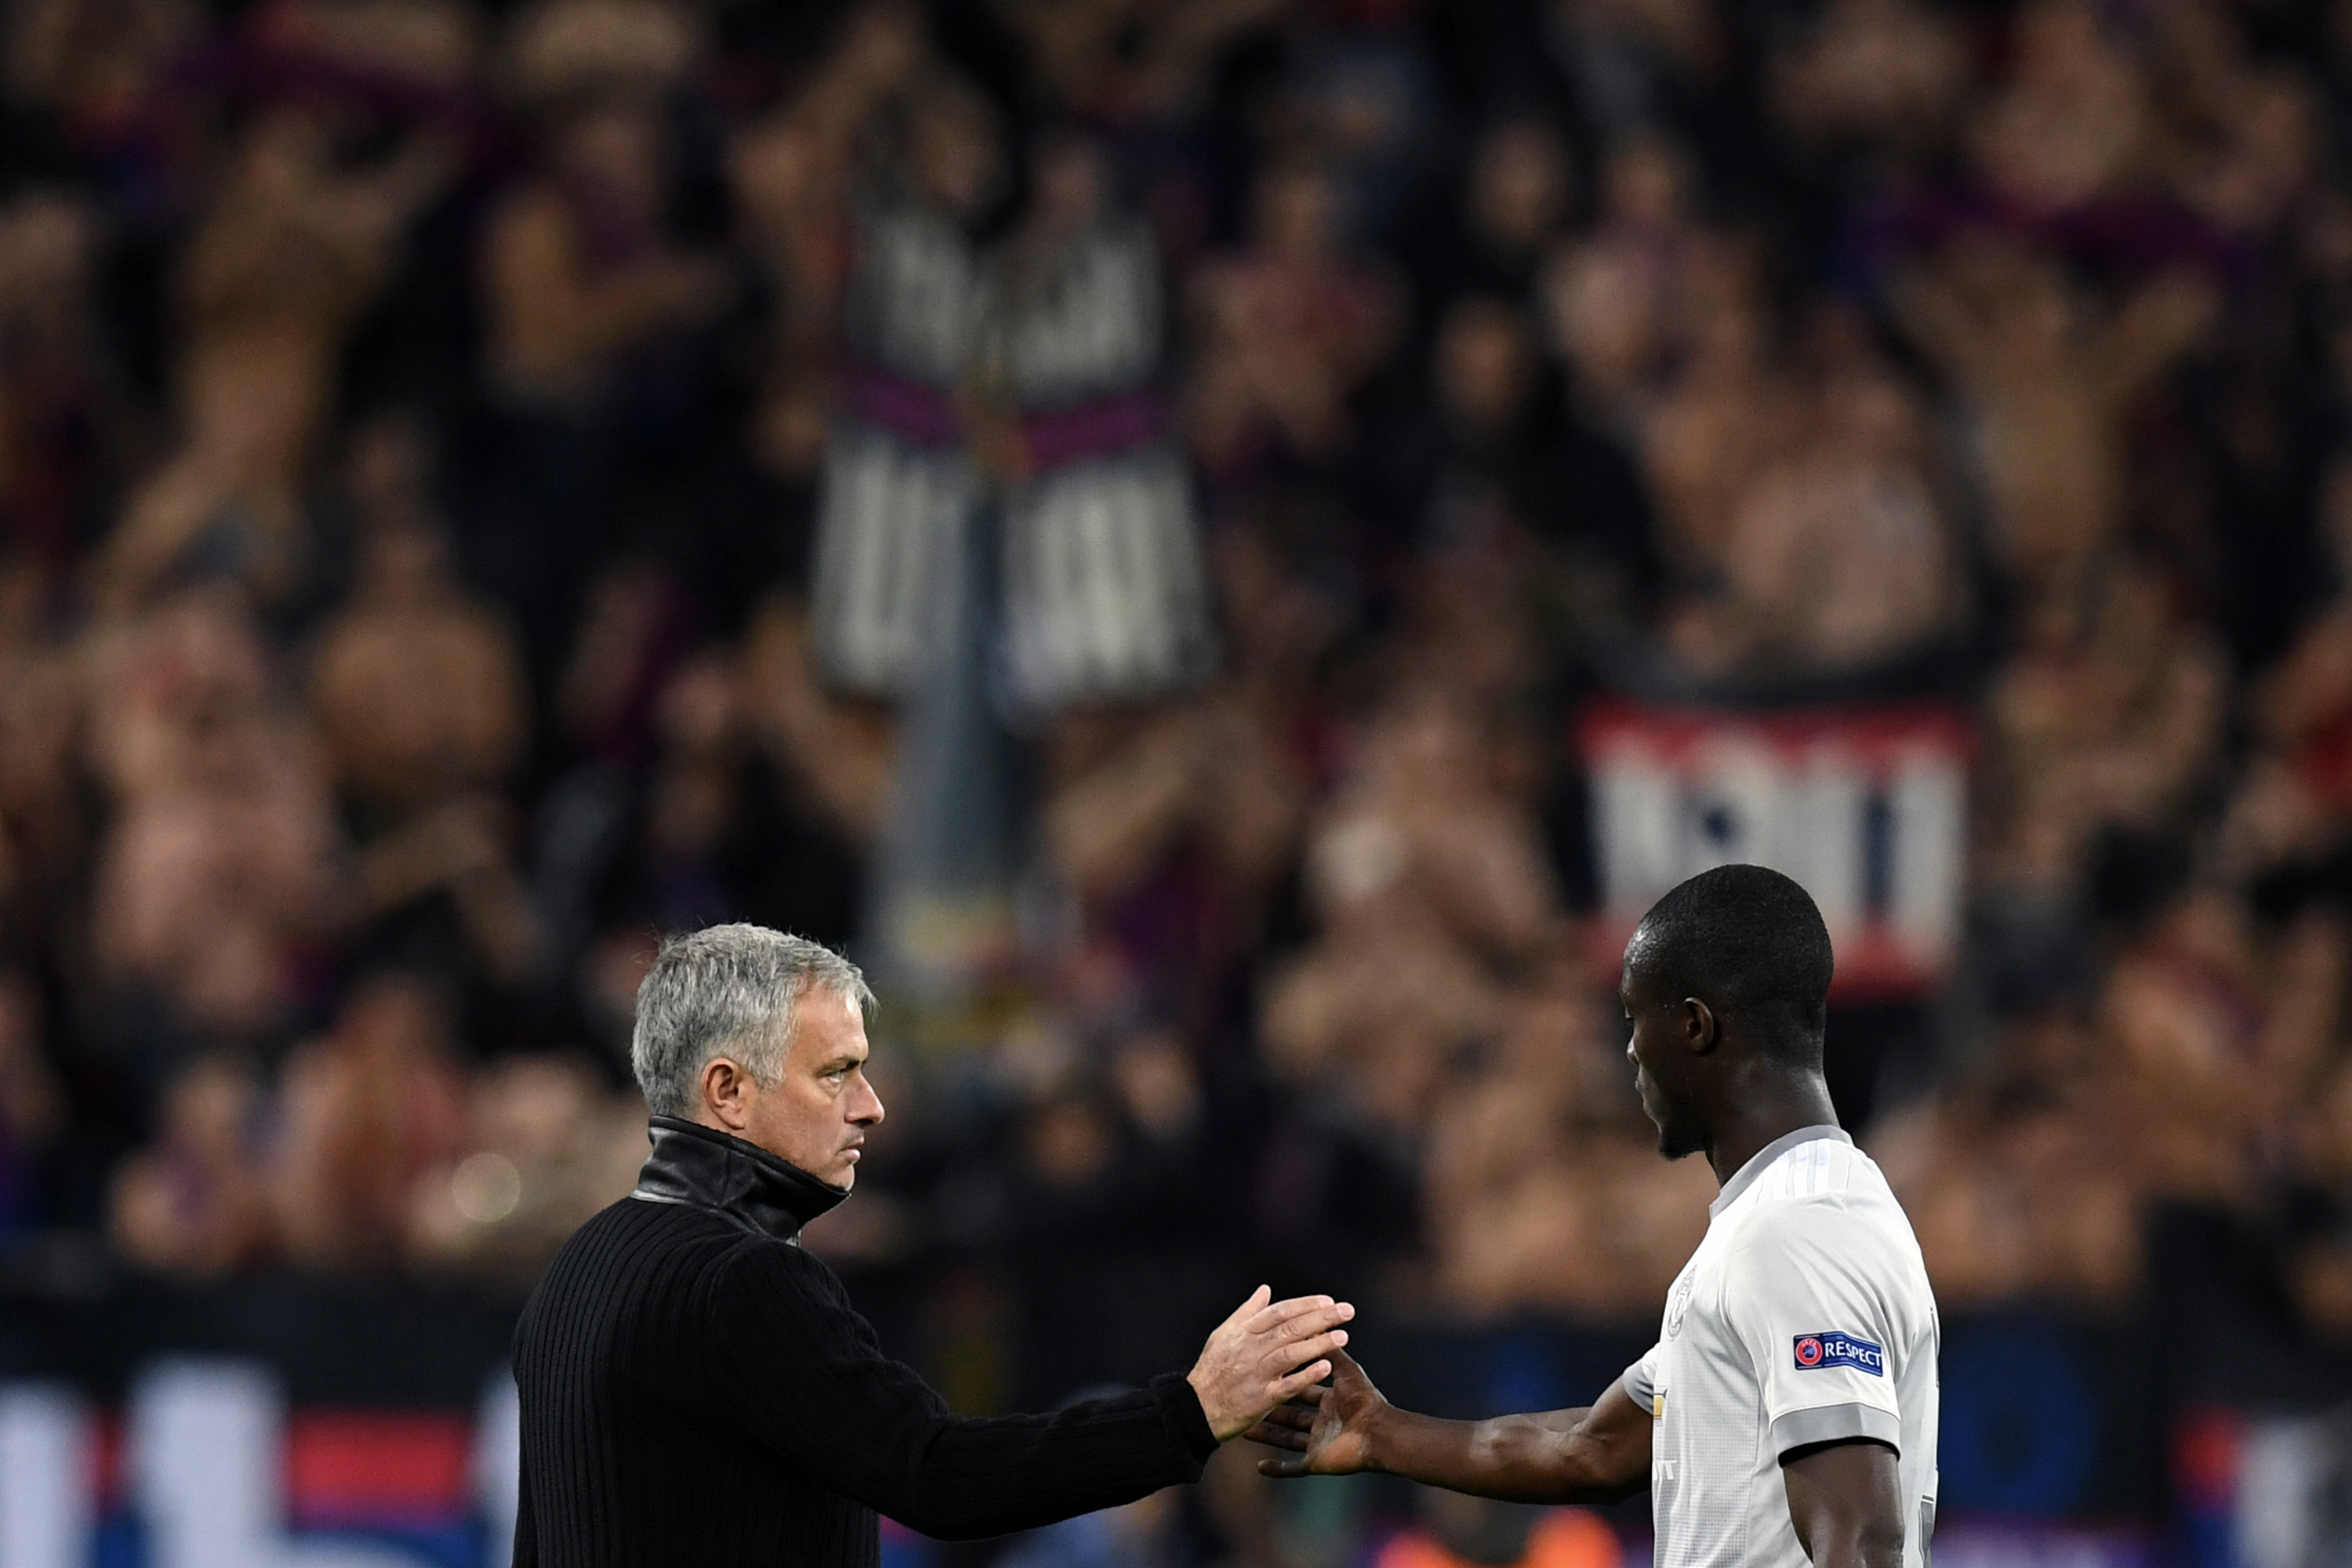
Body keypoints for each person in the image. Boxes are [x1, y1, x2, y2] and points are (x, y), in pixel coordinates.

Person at [511, 923, 1355, 1567]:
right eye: (834, 1073)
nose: (870, 1105)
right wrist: (1194, 1410)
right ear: (728, 1090)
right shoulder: (745, 1279)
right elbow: (936, 1473)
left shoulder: (579, 1268)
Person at [1251, 865, 1940, 1568]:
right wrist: (1380, 1433)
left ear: (1696, 1027)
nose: (1632, 1054)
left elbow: (1860, 1539)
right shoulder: (1772, 1223)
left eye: (1637, 1020)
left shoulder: (1799, 1230)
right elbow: (1595, 1449)